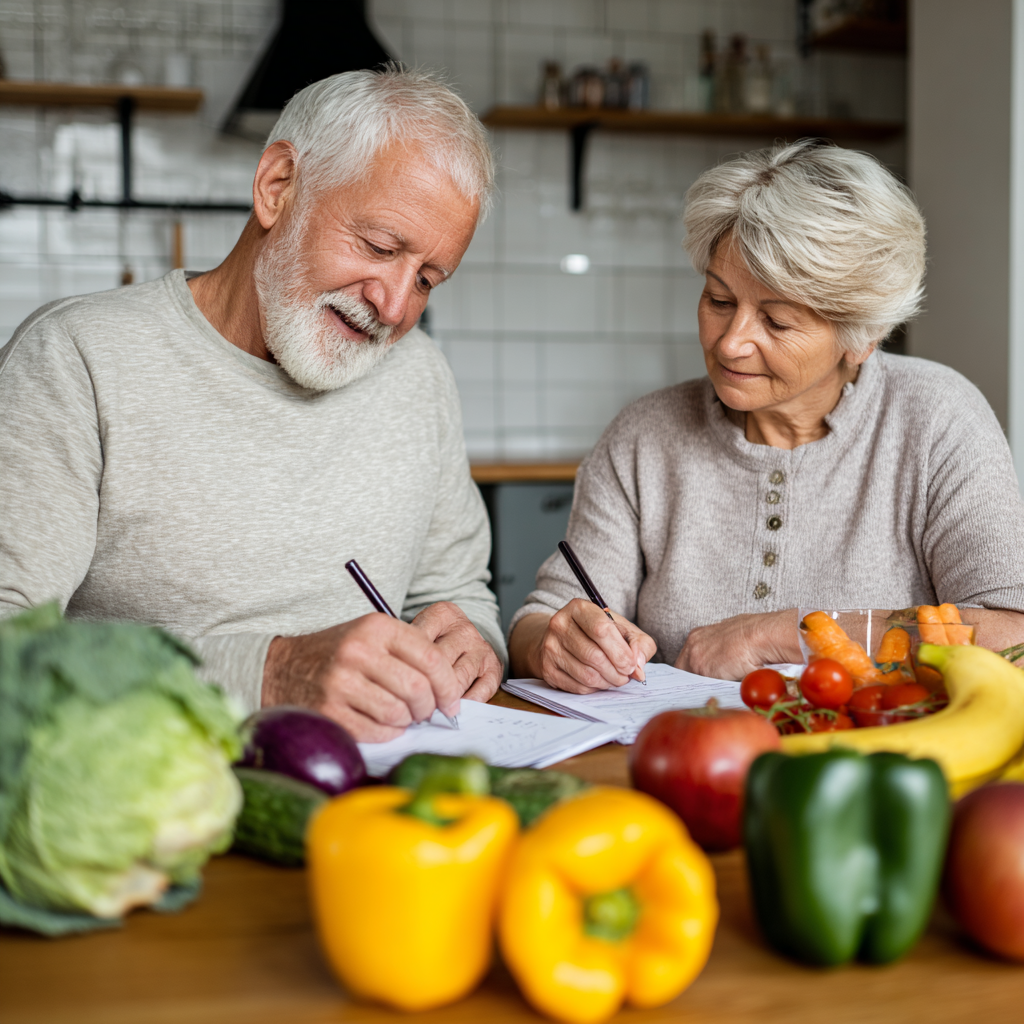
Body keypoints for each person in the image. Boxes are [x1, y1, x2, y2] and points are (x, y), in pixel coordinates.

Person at [0, 68, 504, 740]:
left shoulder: (421, 376)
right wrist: (268, 672)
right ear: (277, 187)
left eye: (428, 279)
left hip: (374, 799)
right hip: (143, 798)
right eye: (381, 248)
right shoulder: (75, 356)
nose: (394, 306)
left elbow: (461, 595)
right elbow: (12, 649)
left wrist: (474, 645)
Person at [508, 139, 1024, 693]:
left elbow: (1011, 636)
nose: (731, 344)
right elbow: (541, 619)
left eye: (776, 321)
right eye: (719, 301)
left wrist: (784, 634)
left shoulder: (937, 419)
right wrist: (553, 642)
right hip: (684, 760)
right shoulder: (644, 435)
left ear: (862, 336)